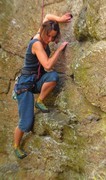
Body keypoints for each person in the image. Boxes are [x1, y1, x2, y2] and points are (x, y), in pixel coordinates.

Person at [13, 13, 72, 159]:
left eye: (53, 37)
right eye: (49, 36)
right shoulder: (37, 43)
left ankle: (39, 101)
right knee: (26, 122)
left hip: (36, 81)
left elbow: (47, 16)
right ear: (43, 31)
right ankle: (16, 146)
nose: (50, 39)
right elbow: (47, 65)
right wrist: (58, 50)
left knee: (53, 77)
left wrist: (60, 20)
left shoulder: (45, 27)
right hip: (25, 85)